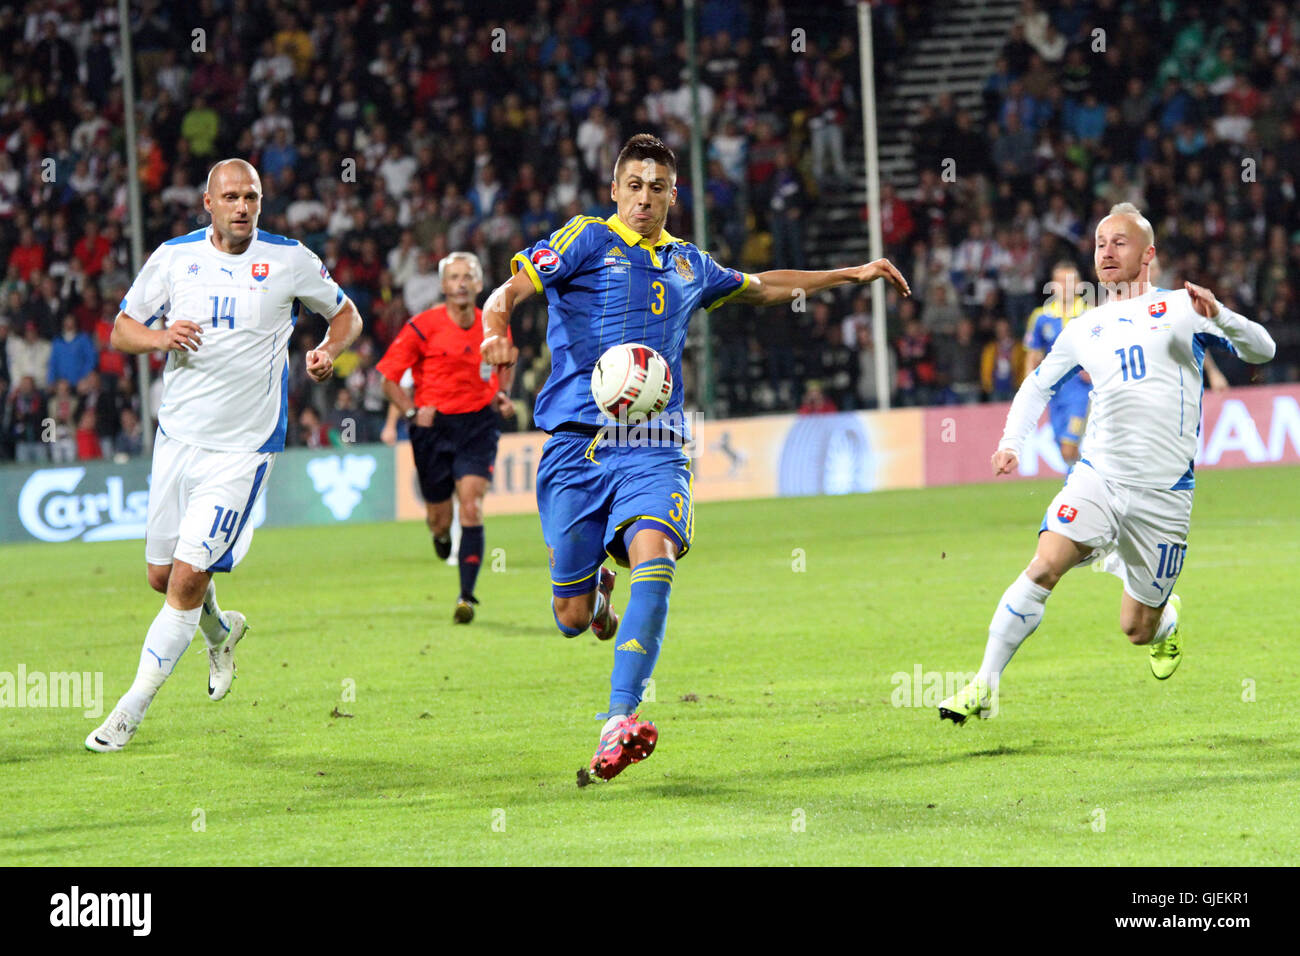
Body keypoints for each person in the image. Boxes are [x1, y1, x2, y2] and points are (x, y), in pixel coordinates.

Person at [480, 134, 909, 781]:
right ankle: (596, 599)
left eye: (658, 187)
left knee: (656, 553)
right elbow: (507, 292)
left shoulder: (689, 265)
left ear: (674, 196)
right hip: (574, 444)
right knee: (568, 618)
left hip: (653, 443)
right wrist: (494, 331)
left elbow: (764, 287)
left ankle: (617, 719)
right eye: (635, 185)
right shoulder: (585, 239)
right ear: (616, 190)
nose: (645, 196)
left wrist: (851, 274)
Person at [939, 203, 1274, 723]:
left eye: (1119, 242)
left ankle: (1165, 622)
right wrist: (1011, 441)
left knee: (1136, 628)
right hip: (1099, 478)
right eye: (1100, 243)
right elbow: (1037, 385)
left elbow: (1263, 351)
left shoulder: (1185, 309)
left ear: (1149, 254)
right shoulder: (1084, 327)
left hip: (1164, 497)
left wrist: (1222, 316)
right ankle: (984, 683)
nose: (1107, 252)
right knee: (1044, 565)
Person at [86, 158, 363, 752]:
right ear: (207, 204)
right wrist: (161, 336)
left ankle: (129, 711)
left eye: (252, 196)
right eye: (231, 196)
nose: (242, 206)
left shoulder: (289, 260)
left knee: (185, 580)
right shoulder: (173, 256)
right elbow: (121, 329)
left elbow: (346, 313)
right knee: (162, 577)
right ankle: (221, 631)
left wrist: (327, 349)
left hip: (243, 450)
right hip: (177, 440)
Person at [375, 251, 514, 623]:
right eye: (453, 277)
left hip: (478, 424)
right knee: (440, 519)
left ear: (480, 283)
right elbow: (388, 377)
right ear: (443, 286)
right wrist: (408, 412)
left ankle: (466, 596)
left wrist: (502, 393)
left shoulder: (493, 325)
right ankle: (440, 537)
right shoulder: (422, 326)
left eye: (468, 276)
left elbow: (505, 364)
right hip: (433, 430)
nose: (462, 283)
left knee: (471, 505)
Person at [1023, 262, 1091, 464]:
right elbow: (1033, 355)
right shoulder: (1040, 317)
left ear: (1079, 285)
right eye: (1060, 281)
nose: (1065, 286)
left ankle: (1078, 491)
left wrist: (1093, 368)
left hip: (1082, 391)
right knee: (1063, 450)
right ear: (1053, 286)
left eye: (1070, 281)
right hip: (1055, 392)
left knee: (1070, 448)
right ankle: (1088, 486)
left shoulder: (1091, 314)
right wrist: (1030, 387)